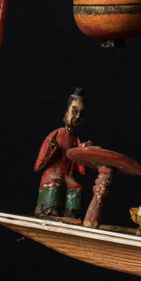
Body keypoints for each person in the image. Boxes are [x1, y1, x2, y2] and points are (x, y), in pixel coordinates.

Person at [35, 89, 89, 218]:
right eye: (74, 111)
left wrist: (84, 151)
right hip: (53, 174)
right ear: (67, 111)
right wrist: (51, 148)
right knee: (55, 185)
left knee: (76, 188)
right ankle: (48, 212)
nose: (77, 117)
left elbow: (81, 170)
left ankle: (72, 218)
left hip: (68, 177)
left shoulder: (76, 139)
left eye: (81, 114)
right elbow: (39, 163)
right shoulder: (57, 133)